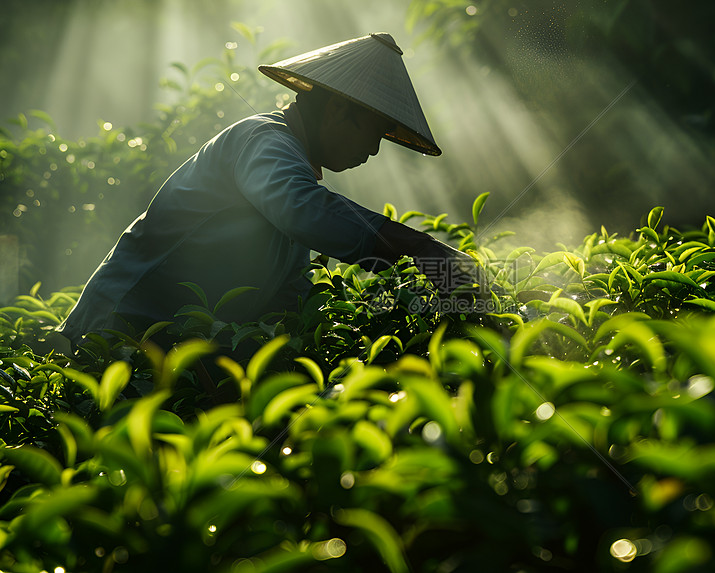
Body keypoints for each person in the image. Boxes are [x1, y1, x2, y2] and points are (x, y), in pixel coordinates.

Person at [58, 32, 478, 348]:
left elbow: (290, 292)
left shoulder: (289, 170)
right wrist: (423, 250)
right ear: (336, 110)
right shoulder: (263, 139)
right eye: (371, 133)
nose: (372, 150)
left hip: (167, 345)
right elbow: (302, 209)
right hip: (114, 330)